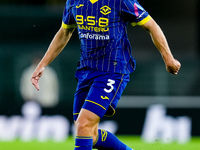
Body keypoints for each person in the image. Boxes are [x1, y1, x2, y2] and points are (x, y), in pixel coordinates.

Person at [31, 0, 181, 149]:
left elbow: (151, 25)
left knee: (84, 124)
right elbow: (65, 32)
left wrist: (168, 58)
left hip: (112, 70)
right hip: (86, 71)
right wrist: (42, 64)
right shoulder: (73, 1)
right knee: (88, 132)